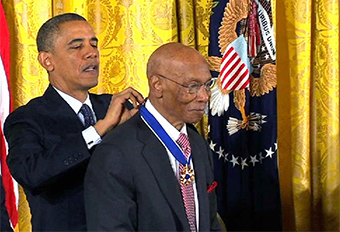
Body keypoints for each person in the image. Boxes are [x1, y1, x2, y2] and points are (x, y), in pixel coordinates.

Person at [4, 13, 144, 232]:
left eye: (94, 44)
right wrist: (101, 128)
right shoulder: (27, 118)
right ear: (47, 61)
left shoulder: (117, 106)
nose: (91, 53)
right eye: (77, 47)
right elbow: (32, 174)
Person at [84, 42, 222, 231]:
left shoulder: (196, 143)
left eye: (207, 85)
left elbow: (210, 221)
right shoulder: (116, 152)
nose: (204, 96)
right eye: (192, 86)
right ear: (157, 85)